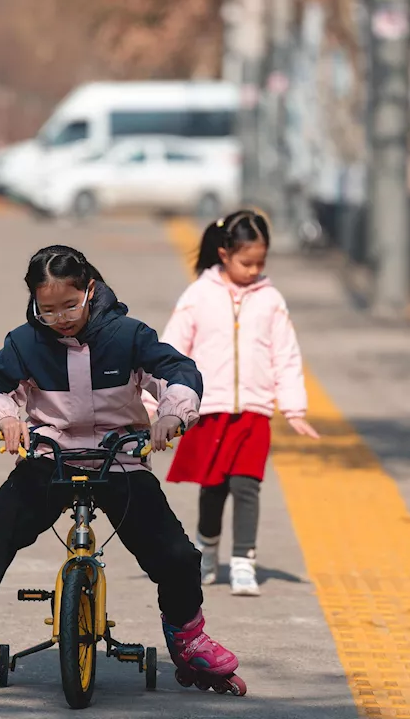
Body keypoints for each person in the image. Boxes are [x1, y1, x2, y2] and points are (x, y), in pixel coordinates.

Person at [0, 245, 246, 697]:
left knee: (176, 554)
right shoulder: (25, 343)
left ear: (90, 290)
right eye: (47, 310)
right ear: (33, 303)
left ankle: (188, 638)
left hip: (120, 457)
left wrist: (173, 413)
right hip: (52, 456)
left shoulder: (127, 335)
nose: (61, 317)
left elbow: (177, 370)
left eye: (70, 305)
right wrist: (7, 418)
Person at [155, 209, 319, 597]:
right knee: (213, 487)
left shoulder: (271, 300)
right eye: (247, 262)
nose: (255, 269)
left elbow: (286, 354)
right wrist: (155, 403)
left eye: (261, 262)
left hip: (254, 411)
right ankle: (207, 549)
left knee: (247, 486)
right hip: (209, 409)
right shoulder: (198, 295)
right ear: (225, 254)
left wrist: (293, 407)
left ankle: (244, 560)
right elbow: (172, 350)